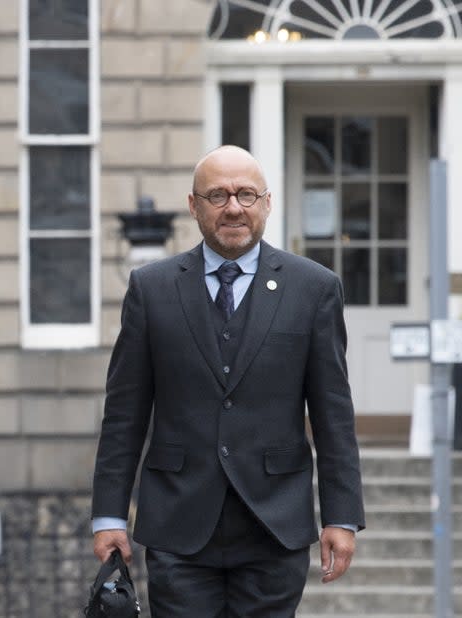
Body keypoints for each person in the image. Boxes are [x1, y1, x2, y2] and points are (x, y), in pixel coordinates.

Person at [91, 145, 365, 616]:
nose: (233, 207)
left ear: (267, 203)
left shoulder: (314, 288)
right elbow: (124, 415)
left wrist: (341, 515)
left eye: (246, 194)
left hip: (274, 526)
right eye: (217, 195)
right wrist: (109, 514)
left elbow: (332, 413)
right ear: (193, 205)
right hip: (179, 525)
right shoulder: (151, 288)